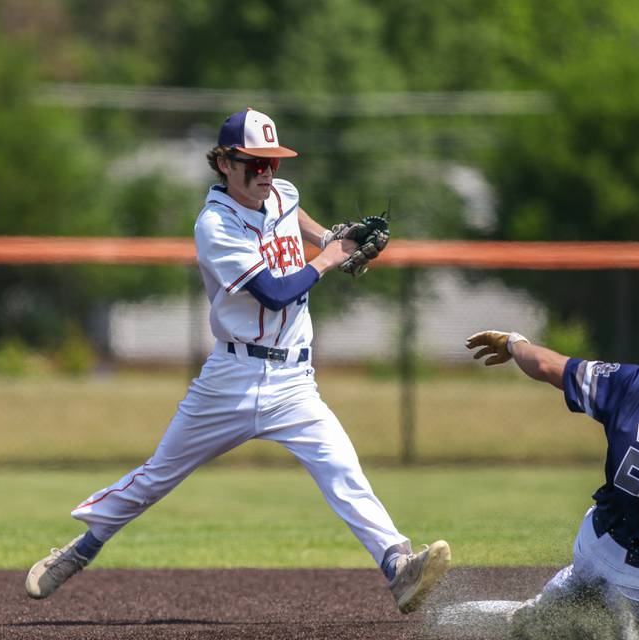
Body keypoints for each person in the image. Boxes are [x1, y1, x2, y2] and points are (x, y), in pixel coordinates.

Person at [24, 107, 450, 613]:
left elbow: (303, 223)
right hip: (232, 378)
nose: (267, 173)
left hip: (293, 381)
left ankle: (398, 566)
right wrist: (331, 258)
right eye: (255, 163)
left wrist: (340, 238)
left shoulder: (282, 193)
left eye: (273, 161)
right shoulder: (215, 224)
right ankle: (80, 549)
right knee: (156, 478)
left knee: (342, 470)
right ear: (224, 162)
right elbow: (273, 292)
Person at [461, 301, 639, 633]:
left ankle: (563, 598)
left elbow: (547, 365)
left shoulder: (634, 382)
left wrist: (514, 343)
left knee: (570, 594)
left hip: (593, 550)